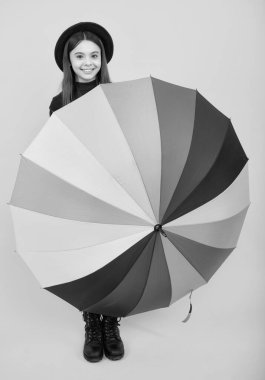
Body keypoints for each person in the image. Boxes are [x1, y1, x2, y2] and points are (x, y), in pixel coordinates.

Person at [49, 22, 125, 363]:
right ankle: (92, 322)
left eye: (94, 56)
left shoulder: (117, 97)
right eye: (80, 56)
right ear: (69, 61)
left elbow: (127, 146)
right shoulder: (58, 102)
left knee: (115, 256)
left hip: (115, 189)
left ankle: (111, 321)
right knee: (87, 257)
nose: (88, 62)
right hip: (79, 191)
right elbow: (55, 151)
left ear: (103, 60)